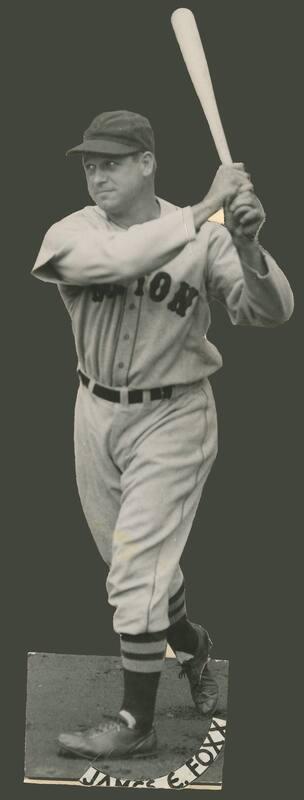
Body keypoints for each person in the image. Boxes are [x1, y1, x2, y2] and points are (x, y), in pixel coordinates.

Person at [32, 110, 294, 759]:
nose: (97, 174)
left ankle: (135, 721)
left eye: (112, 161)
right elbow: (118, 257)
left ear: (147, 163)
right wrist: (207, 206)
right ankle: (193, 644)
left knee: (137, 572)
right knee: (132, 569)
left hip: (174, 415)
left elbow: (271, 313)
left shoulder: (205, 237)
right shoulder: (72, 232)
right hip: (94, 413)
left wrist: (250, 245)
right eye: (90, 163)